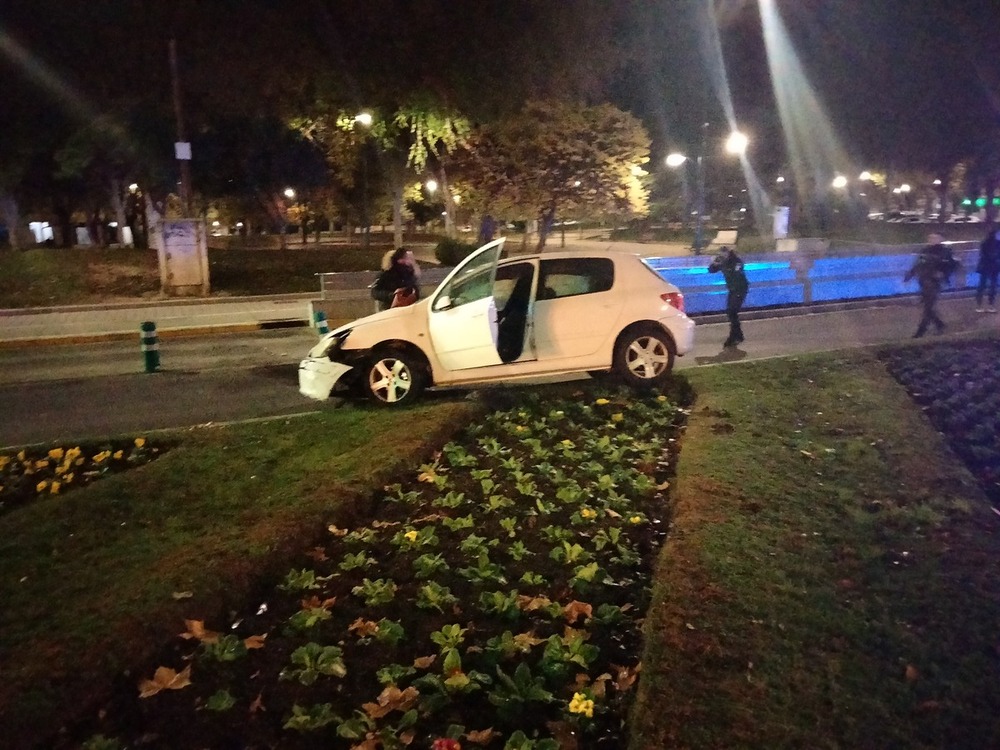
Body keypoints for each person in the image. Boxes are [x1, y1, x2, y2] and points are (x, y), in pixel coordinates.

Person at [904, 233, 959, 338]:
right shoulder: (925, 250)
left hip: (935, 282)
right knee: (927, 306)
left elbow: (952, 265)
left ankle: (921, 331)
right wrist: (908, 277)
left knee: (928, 307)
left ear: (941, 239)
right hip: (924, 281)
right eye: (930, 237)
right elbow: (917, 264)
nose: (931, 239)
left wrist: (943, 274)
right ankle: (940, 324)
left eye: (934, 237)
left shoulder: (945, 251)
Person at [708, 246, 749, 348]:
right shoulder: (722, 261)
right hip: (732, 289)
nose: (722, 257)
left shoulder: (736, 261)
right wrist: (714, 264)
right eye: (721, 255)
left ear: (728, 253)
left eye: (724, 255)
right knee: (730, 312)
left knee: (732, 311)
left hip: (740, 288)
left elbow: (736, 273)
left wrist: (723, 264)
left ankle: (733, 336)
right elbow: (711, 270)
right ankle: (738, 334)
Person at [975, 225, 1000, 313]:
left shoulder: (984, 243)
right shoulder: (998, 243)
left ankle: (979, 305)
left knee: (982, 285)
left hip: (984, 266)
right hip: (995, 266)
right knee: (993, 286)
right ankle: (991, 305)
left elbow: (982, 254)